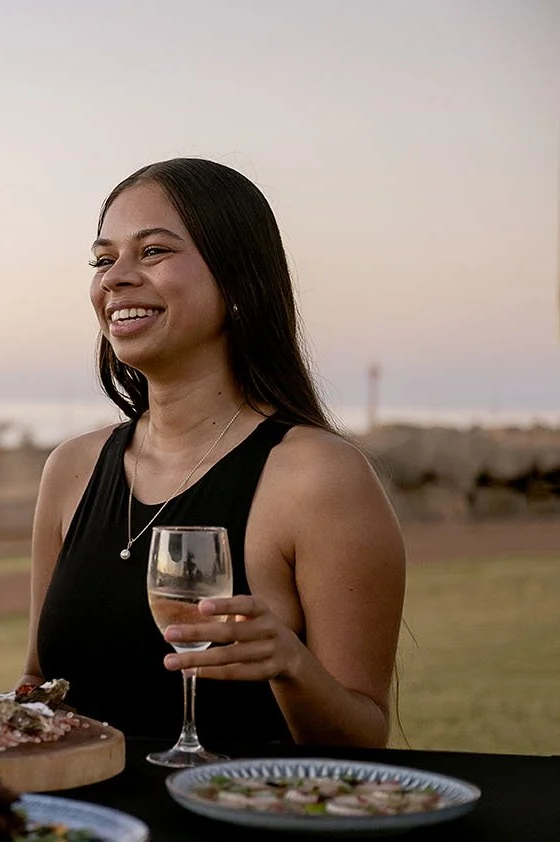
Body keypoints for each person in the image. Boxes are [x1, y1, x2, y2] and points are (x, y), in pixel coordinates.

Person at [21, 158, 404, 749]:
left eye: (152, 252)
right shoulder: (70, 469)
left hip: (246, 834)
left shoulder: (319, 477)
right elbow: (39, 686)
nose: (115, 278)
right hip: (86, 837)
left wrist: (290, 666)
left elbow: (363, 740)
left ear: (238, 278)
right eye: (103, 259)